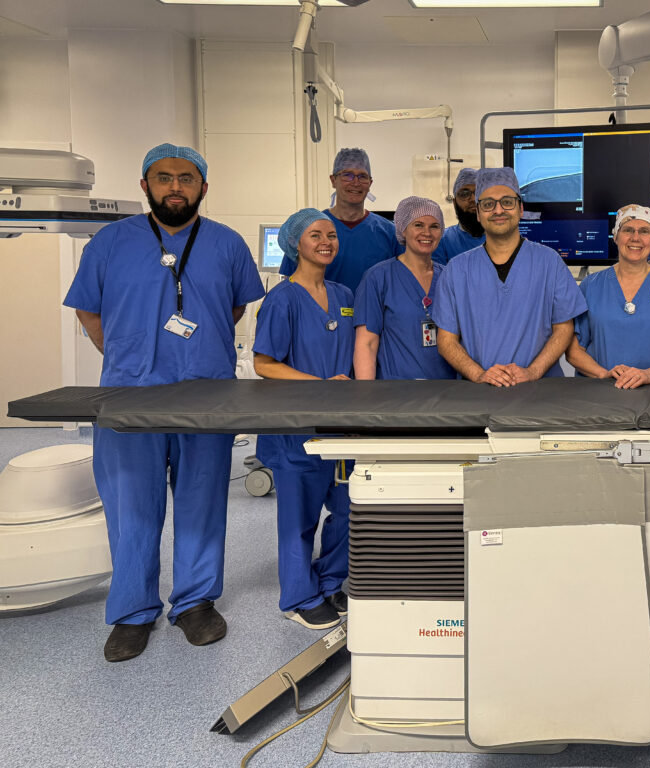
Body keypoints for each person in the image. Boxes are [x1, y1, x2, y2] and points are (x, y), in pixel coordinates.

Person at [63, 143, 265, 662]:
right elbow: (88, 311)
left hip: (207, 396)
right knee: (132, 506)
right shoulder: (110, 243)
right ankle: (133, 611)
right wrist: (129, 355)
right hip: (129, 397)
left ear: (203, 187)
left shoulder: (226, 243)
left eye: (186, 178)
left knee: (201, 502)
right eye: (163, 177)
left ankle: (195, 602)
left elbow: (236, 306)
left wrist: (192, 351)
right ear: (145, 185)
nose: (175, 186)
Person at [253, 209, 355, 629]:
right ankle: (299, 594)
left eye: (331, 234)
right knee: (299, 516)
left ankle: (331, 579)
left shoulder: (345, 295)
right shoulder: (282, 298)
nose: (326, 241)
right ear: (296, 243)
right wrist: (319, 384)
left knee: (349, 509)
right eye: (316, 235)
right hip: (296, 428)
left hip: (343, 427)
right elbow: (264, 364)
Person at [433, 167, 587, 386]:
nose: (498, 210)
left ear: (520, 208)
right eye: (488, 204)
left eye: (507, 201)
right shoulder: (456, 271)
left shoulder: (549, 262)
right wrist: (479, 375)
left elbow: (563, 329)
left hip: (540, 392)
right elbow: (446, 341)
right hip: (479, 395)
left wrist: (533, 372)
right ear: (478, 213)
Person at [567, 205, 650, 389]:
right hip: (599, 393)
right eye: (628, 230)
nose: (635, 238)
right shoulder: (590, 286)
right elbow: (574, 351)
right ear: (615, 236)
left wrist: (649, 374)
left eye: (644, 231)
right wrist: (604, 374)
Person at [354, 196, 456, 380]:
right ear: (403, 229)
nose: (427, 232)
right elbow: (367, 344)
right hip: (396, 394)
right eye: (418, 225)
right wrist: (365, 396)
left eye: (434, 226)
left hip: (446, 392)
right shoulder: (378, 278)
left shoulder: (450, 277)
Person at [280, 147, 402, 293]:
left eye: (362, 176)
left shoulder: (390, 233)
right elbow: (289, 282)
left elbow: (401, 282)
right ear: (333, 180)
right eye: (347, 175)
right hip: (320, 313)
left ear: (370, 183)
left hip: (374, 314)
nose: (355, 182)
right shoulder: (306, 228)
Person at [432, 168, 485, 266]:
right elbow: (439, 278)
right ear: (455, 203)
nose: (473, 199)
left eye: (478, 193)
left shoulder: (502, 237)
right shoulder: (442, 241)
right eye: (465, 194)